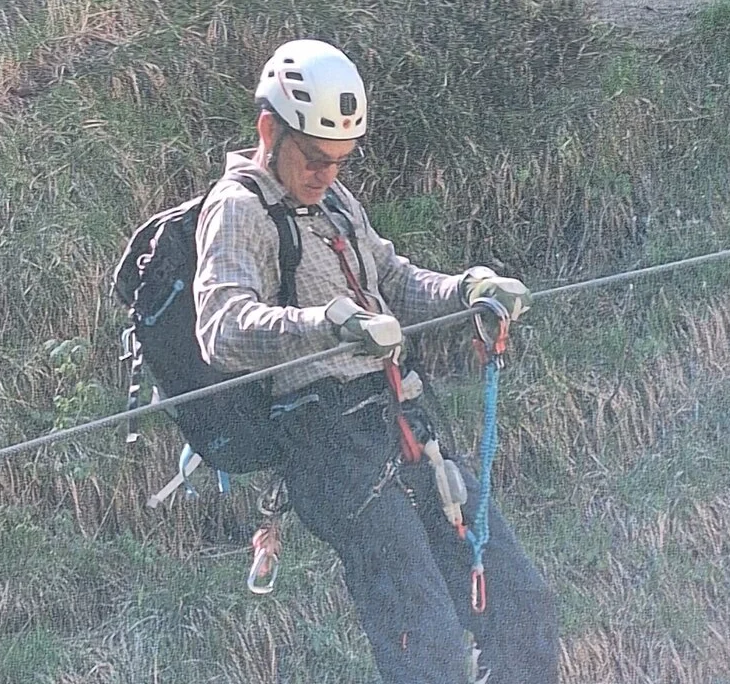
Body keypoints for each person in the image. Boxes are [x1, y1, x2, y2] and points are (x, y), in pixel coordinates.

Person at [192, 38, 559, 684]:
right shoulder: (238, 210)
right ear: (269, 129)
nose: (326, 174)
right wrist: (327, 325)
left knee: (525, 609)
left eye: (340, 160)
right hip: (330, 448)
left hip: (405, 427)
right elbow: (220, 329)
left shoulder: (334, 203)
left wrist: (467, 289)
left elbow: (391, 276)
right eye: (313, 158)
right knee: (431, 653)